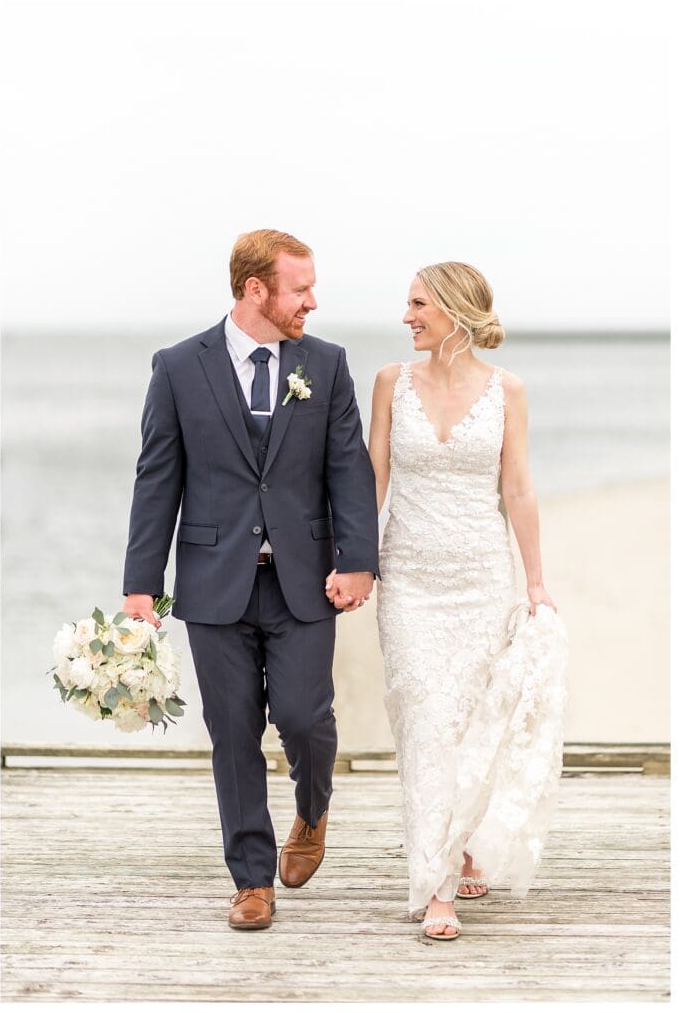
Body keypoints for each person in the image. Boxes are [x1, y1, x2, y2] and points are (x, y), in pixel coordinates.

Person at [122, 229, 379, 930]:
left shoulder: (325, 365)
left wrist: (357, 559)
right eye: (300, 289)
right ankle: (251, 881)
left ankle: (312, 811)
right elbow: (157, 477)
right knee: (231, 733)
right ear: (254, 290)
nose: (312, 302)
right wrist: (141, 584)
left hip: (303, 582)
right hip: (213, 583)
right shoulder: (178, 366)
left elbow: (347, 470)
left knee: (304, 719)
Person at [362, 261, 567, 940]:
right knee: (426, 722)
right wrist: (351, 564)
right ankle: (437, 884)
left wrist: (534, 583)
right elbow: (373, 481)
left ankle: (465, 843)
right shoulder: (390, 383)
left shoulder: (507, 392)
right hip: (410, 585)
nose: (406, 316)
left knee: (472, 725)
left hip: (481, 580)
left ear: (452, 309)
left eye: (417, 303)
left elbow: (518, 490)